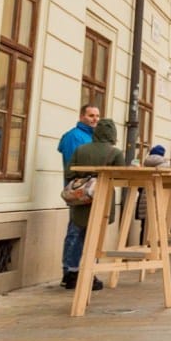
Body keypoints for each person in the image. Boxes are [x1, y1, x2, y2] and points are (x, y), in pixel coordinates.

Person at [64, 117, 126, 293]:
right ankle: (90, 273)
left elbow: (69, 172)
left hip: (81, 197)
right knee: (95, 238)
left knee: (76, 234)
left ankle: (71, 271)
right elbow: (120, 178)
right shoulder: (114, 153)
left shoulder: (80, 149)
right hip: (102, 199)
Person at [58, 104, 100, 289]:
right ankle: (70, 272)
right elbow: (74, 165)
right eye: (91, 115)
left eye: (97, 116)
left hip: (89, 190)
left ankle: (80, 270)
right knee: (76, 230)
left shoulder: (91, 136)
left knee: (84, 231)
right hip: (79, 191)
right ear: (82, 116)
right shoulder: (74, 136)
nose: (95, 119)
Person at [136, 144, 171, 245]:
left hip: (145, 195)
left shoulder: (144, 163)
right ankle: (156, 249)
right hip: (159, 196)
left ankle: (143, 246)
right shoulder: (165, 164)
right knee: (157, 224)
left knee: (144, 226)